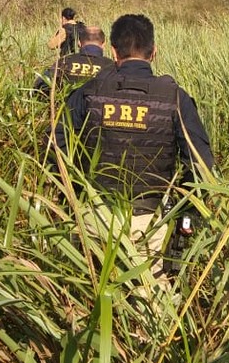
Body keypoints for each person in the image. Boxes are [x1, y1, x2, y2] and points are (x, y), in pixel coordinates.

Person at [54, 14, 214, 281]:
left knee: (92, 290)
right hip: (151, 220)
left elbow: (57, 148)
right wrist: (183, 213)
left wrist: (73, 196)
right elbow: (201, 166)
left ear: (114, 51)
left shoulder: (87, 92)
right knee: (151, 299)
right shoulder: (175, 98)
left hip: (95, 213)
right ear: (154, 53)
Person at [33, 26, 114, 95]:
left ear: (79, 43)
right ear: (104, 44)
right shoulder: (112, 66)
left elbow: (40, 86)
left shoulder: (64, 61)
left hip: (67, 111)